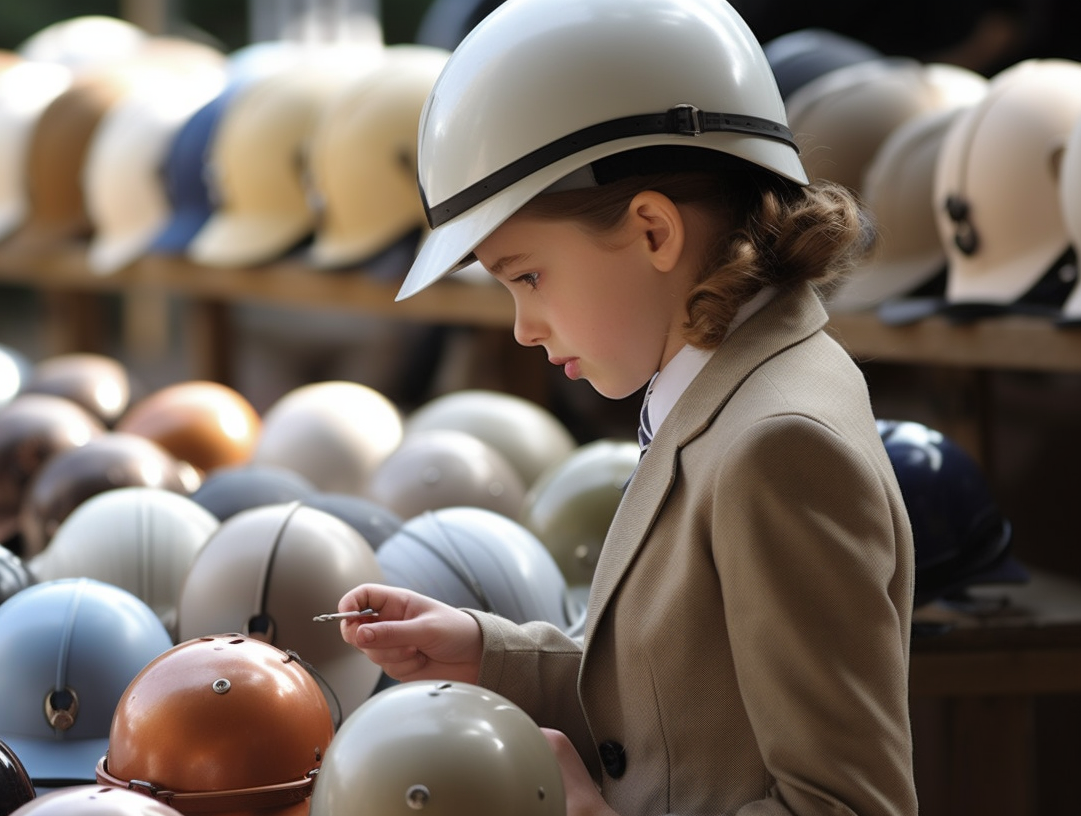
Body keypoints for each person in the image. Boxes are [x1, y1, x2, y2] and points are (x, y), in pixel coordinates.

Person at [336, 1, 916, 814]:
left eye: (527, 275)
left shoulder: (776, 444)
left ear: (652, 231)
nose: (522, 327)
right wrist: (486, 655)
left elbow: (849, 804)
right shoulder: (729, 380)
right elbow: (680, 705)